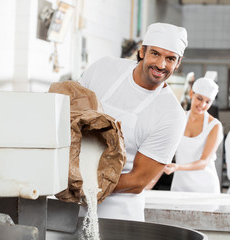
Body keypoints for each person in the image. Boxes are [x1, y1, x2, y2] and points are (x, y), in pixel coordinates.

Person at [78, 23, 188, 221]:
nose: (161, 65)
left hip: (117, 211)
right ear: (142, 51)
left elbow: (139, 180)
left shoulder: (172, 115)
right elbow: (70, 112)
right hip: (67, 202)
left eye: (170, 58)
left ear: (178, 63)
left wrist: (87, 186)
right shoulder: (104, 69)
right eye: (155, 54)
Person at [164, 77, 223, 193]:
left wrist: (178, 167)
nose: (202, 105)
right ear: (191, 94)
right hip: (180, 186)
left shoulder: (215, 126)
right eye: (199, 98)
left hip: (205, 188)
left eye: (208, 102)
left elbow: (204, 162)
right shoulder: (179, 119)